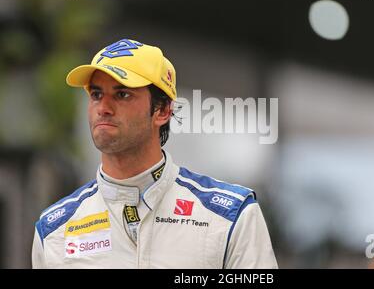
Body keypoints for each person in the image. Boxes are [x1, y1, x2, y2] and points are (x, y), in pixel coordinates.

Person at [31, 39, 278, 269]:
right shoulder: (53, 229)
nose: (103, 108)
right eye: (96, 95)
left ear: (162, 110)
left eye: (122, 94)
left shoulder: (231, 215)